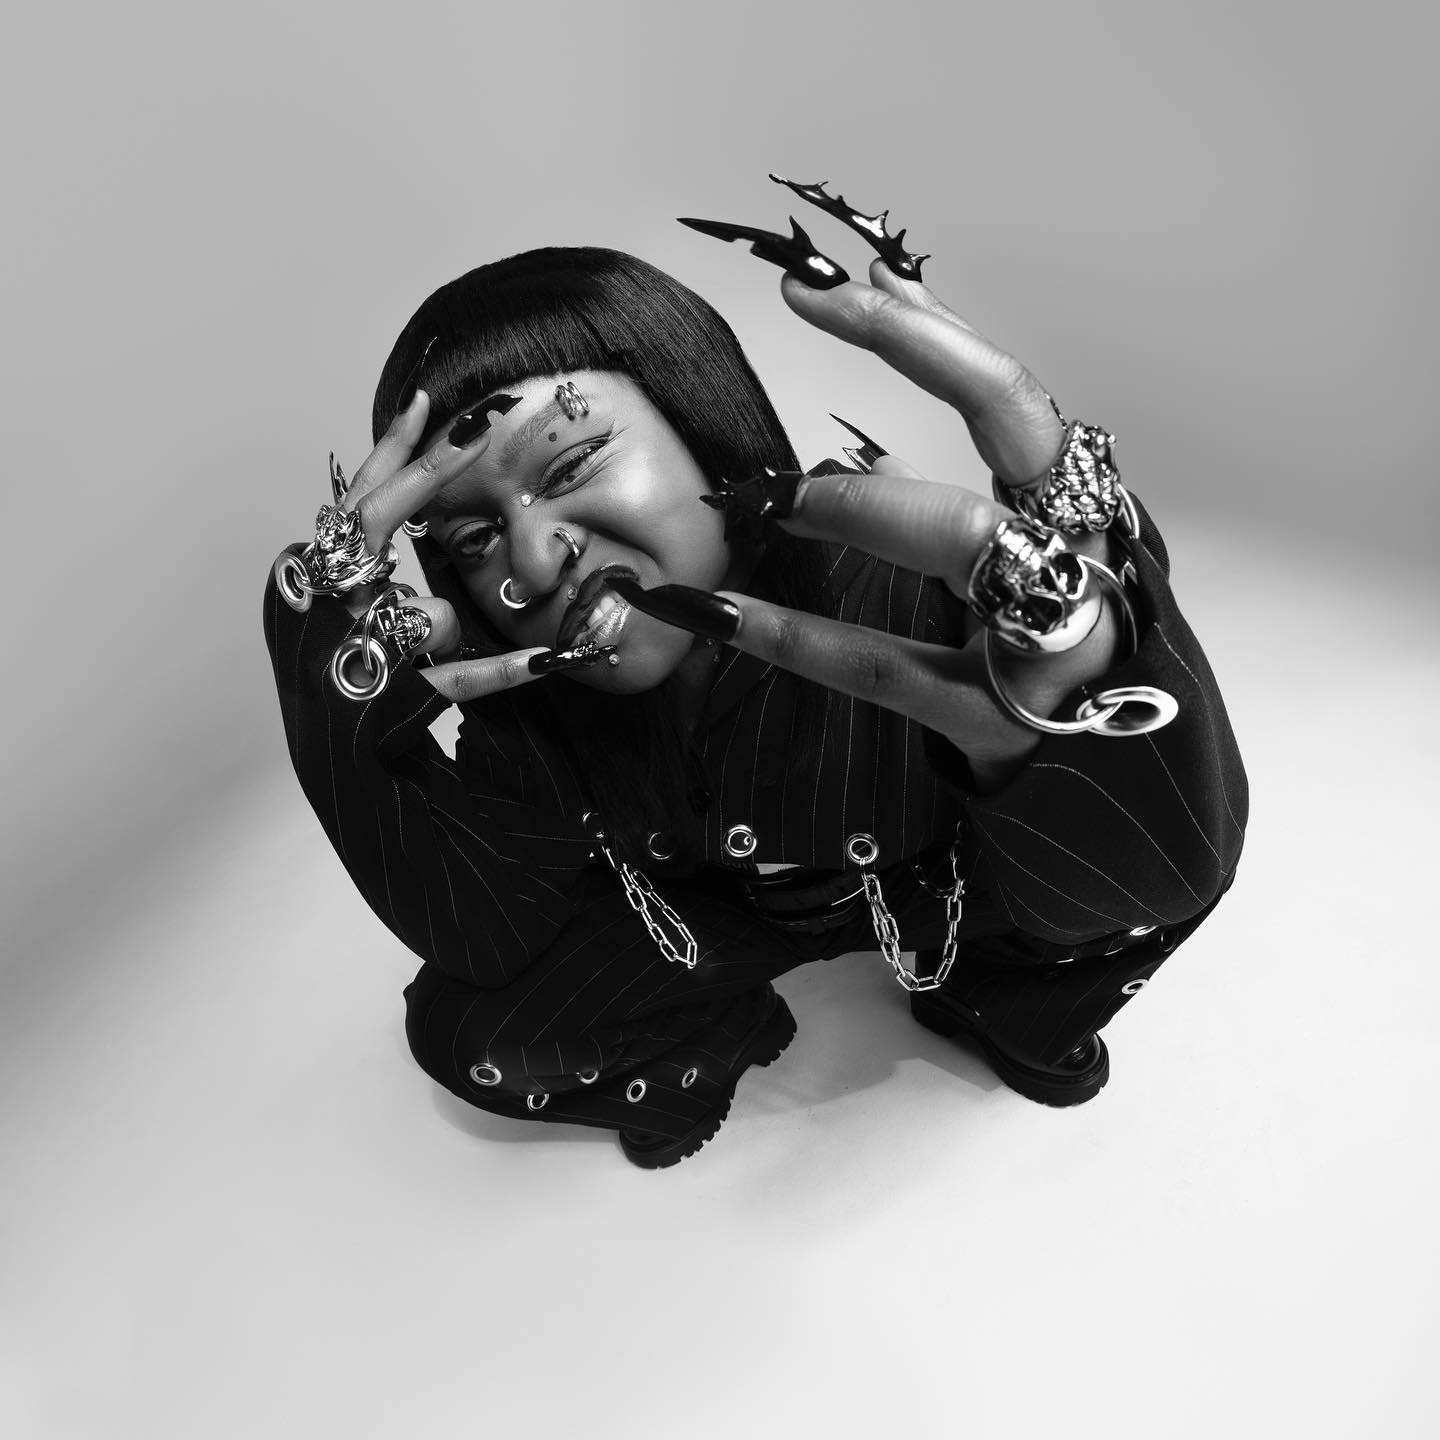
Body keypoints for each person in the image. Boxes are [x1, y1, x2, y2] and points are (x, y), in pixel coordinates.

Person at [264, 178, 1247, 1169]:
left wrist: (1076, 709)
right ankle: (720, 1036)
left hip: (951, 884)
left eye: (567, 467)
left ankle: (999, 1001)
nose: (532, 560)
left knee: (1123, 874)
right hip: (716, 929)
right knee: (469, 1035)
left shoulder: (910, 594)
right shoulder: (531, 700)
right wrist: (336, 709)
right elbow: (490, 942)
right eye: (474, 539)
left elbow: (1166, 875)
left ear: (703, 418)